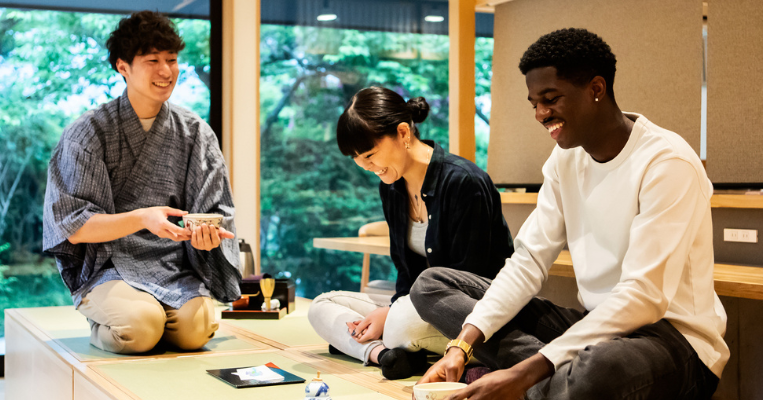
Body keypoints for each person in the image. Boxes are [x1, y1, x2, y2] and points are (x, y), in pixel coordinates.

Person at [413, 28, 727, 400]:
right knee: (432, 285)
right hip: (595, 326)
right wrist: (460, 347)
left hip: (674, 340)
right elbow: (528, 260)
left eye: (551, 99)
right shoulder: (566, 158)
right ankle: (549, 384)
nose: (541, 114)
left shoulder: (666, 162)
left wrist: (527, 369)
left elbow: (644, 296)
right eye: (534, 103)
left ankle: (532, 381)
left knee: (600, 370)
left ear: (596, 89)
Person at [42, 11, 241, 354]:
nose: (166, 71)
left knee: (197, 331)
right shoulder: (88, 133)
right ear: (123, 67)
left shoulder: (195, 132)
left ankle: (157, 319)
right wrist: (141, 218)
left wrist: (208, 239)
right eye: (152, 60)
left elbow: (214, 210)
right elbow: (72, 225)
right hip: (109, 266)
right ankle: (106, 325)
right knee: (141, 327)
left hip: (172, 265)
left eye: (172, 60)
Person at [307, 86, 514, 380]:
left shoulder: (463, 182)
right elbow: (406, 273)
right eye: (356, 158)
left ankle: (392, 344)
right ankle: (386, 356)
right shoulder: (391, 187)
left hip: (472, 314)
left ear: (403, 133)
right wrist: (392, 307)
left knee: (400, 324)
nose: (366, 167)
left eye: (369, 154)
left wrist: (392, 313)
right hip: (416, 305)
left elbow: (471, 278)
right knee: (321, 306)